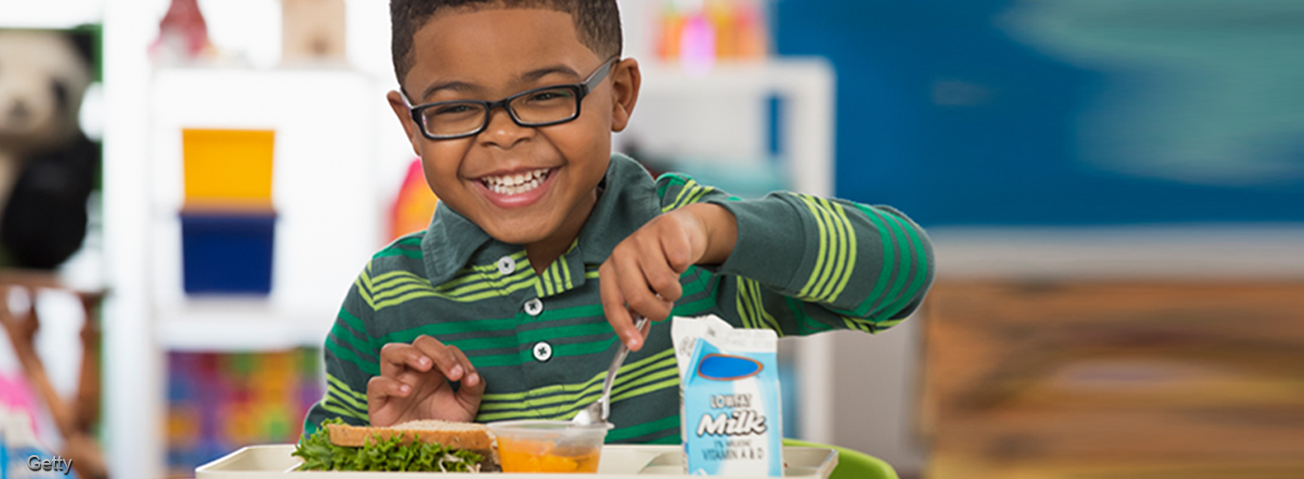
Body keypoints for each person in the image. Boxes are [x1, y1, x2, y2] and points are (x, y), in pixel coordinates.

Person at [301, 0, 934, 445]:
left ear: (621, 95)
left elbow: (902, 275)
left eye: (546, 95)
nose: (502, 136)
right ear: (412, 126)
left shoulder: (693, 253)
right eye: (456, 108)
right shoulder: (386, 300)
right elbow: (318, 464)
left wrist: (711, 232)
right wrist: (401, 455)